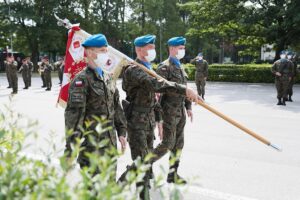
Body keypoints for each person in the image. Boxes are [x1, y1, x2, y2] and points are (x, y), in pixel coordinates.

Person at [119, 34, 200, 200]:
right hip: (137, 120)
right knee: (142, 160)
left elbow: (153, 99)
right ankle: (127, 183)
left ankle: (142, 184)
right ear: (139, 49)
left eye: (153, 47)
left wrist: (158, 119)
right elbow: (157, 85)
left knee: (146, 158)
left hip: (148, 119)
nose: (153, 51)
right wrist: (184, 90)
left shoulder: (146, 67)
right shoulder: (134, 70)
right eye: (149, 48)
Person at [64, 33, 127, 179]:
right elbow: (74, 119)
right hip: (92, 149)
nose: (106, 54)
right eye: (102, 51)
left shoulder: (108, 77)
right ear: (90, 52)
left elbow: (116, 107)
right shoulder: (81, 81)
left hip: (110, 146)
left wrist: (122, 131)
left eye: (106, 51)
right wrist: (70, 150)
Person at [151, 36, 192, 184]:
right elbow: (159, 90)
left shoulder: (180, 66)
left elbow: (185, 89)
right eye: (180, 48)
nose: (182, 50)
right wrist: (158, 116)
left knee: (179, 143)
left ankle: (172, 174)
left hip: (180, 110)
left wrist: (188, 106)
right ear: (172, 48)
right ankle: (144, 165)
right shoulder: (164, 67)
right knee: (167, 143)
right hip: (168, 111)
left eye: (183, 48)